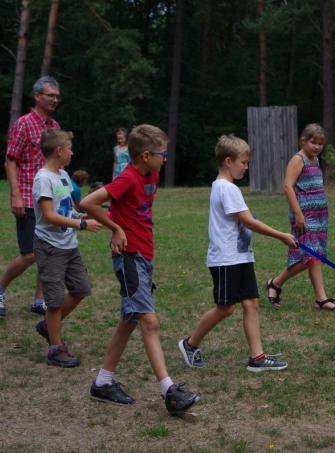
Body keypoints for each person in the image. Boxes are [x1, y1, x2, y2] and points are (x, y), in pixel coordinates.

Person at [79, 124, 200, 414]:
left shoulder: (152, 174)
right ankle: (169, 390)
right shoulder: (128, 178)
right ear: (146, 155)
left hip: (144, 256)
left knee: (129, 320)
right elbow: (87, 202)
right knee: (150, 322)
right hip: (130, 258)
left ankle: (102, 382)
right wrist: (116, 228)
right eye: (162, 154)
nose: (165, 159)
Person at [177, 134, 296, 373]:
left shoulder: (227, 188)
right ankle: (190, 344)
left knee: (251, 303)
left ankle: (257, 357)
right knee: (226, 308)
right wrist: (281, 235)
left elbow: (246, 220)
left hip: (240, 257)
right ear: (228, 161)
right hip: (226, 259)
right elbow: (249, 222)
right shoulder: (225, 188)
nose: (246, 167)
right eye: (243, 162)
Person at [0, 76, 62, 318]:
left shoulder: (55, 127)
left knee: (48, 249)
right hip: (28, 198)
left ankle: (38, 300)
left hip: (50, 199)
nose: (55, 99)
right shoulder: (23, 124)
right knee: (30, 253)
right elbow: (10, 160)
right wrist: (15, 195)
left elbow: (57, 164)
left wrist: (64, 194)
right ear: (37, 96)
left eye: (57, 96)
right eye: (50, 95)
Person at [31, 130, 101, 367]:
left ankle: (48, 326)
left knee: (81, 289)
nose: (72, 152)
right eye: (69, 148)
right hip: (50, 247)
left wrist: (79, 214)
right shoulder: (43, 178)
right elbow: (49, 216)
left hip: (69, 245)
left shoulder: (62, 175)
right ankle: (55, 349)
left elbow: (65, 207)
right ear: (59, 151)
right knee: (54, 301)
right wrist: (81, 224)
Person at [265, 124, 335, 311]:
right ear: (303, 141)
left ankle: (321, 299)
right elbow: (287, 186)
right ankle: (275, 283)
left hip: (319, 216)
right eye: (313, 142)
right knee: (309, 255)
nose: (316, 147)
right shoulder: (298, 159)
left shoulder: (315, 159)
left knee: (317, 255)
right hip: (304, 215)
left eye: (320, 143)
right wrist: (299, 214)